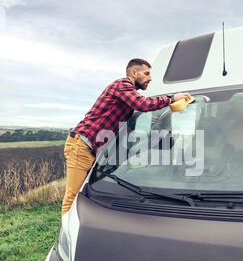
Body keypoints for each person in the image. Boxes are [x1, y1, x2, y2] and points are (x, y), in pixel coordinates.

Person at [62, 58, 191, 215]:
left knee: (84, 194)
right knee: (72, 196)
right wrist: (171, 99)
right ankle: (67, 233)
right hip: (82, 145)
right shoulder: (122, 85)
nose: (150, 78)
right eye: (147, 73)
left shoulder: (126, 92)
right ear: (133, 72)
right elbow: (143, 105)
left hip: (90, 148)